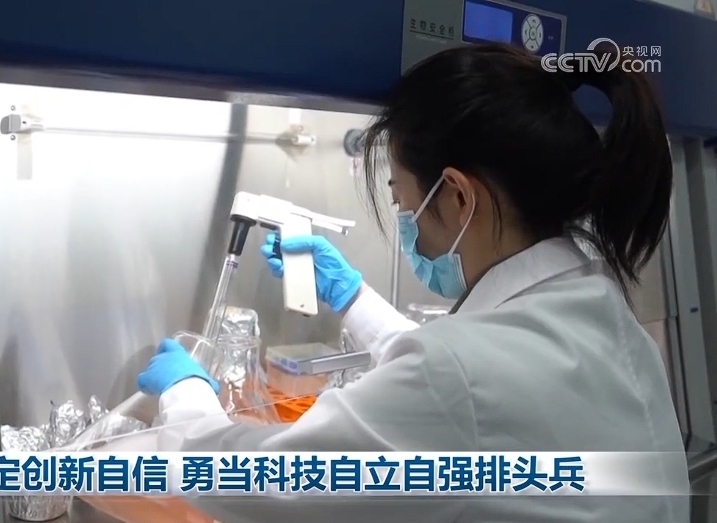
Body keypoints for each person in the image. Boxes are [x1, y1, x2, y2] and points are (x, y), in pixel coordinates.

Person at [136, 43, 689, 523]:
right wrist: (352, 297)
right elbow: (464, 392)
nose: (405, 219)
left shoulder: (459, 377)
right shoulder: (604, 315)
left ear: (459, 197)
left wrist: (186, 395)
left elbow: (262, 482)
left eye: (402, 198)